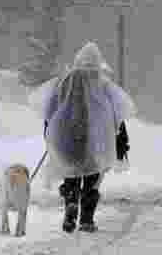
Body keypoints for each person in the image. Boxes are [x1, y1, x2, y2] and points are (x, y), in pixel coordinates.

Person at [36, 42, 136, 233]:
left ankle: (71, 201)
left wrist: (50, 132)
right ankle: (86, 219)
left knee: (71, 174)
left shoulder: (64, 82)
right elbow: (117, 113)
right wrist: (121, 139)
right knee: (92, 179)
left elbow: (50, 109)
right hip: (96, 141)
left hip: (68, 139)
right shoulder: (103, 84)